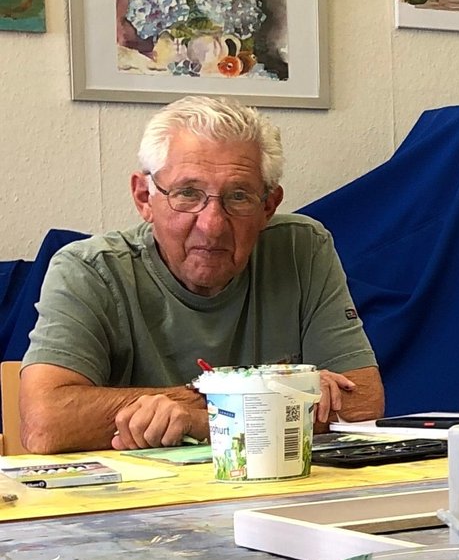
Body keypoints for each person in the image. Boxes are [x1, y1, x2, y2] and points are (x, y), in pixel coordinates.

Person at [19, 96, 383, 453]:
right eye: (188, 193)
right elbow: (46, 423)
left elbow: (363, 403)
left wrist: (199, 419)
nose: (212, 226)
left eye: (238, 196)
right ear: (144, 197)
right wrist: (283, 392)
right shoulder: (87, 269)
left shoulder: (302, 247)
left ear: (268, 206)